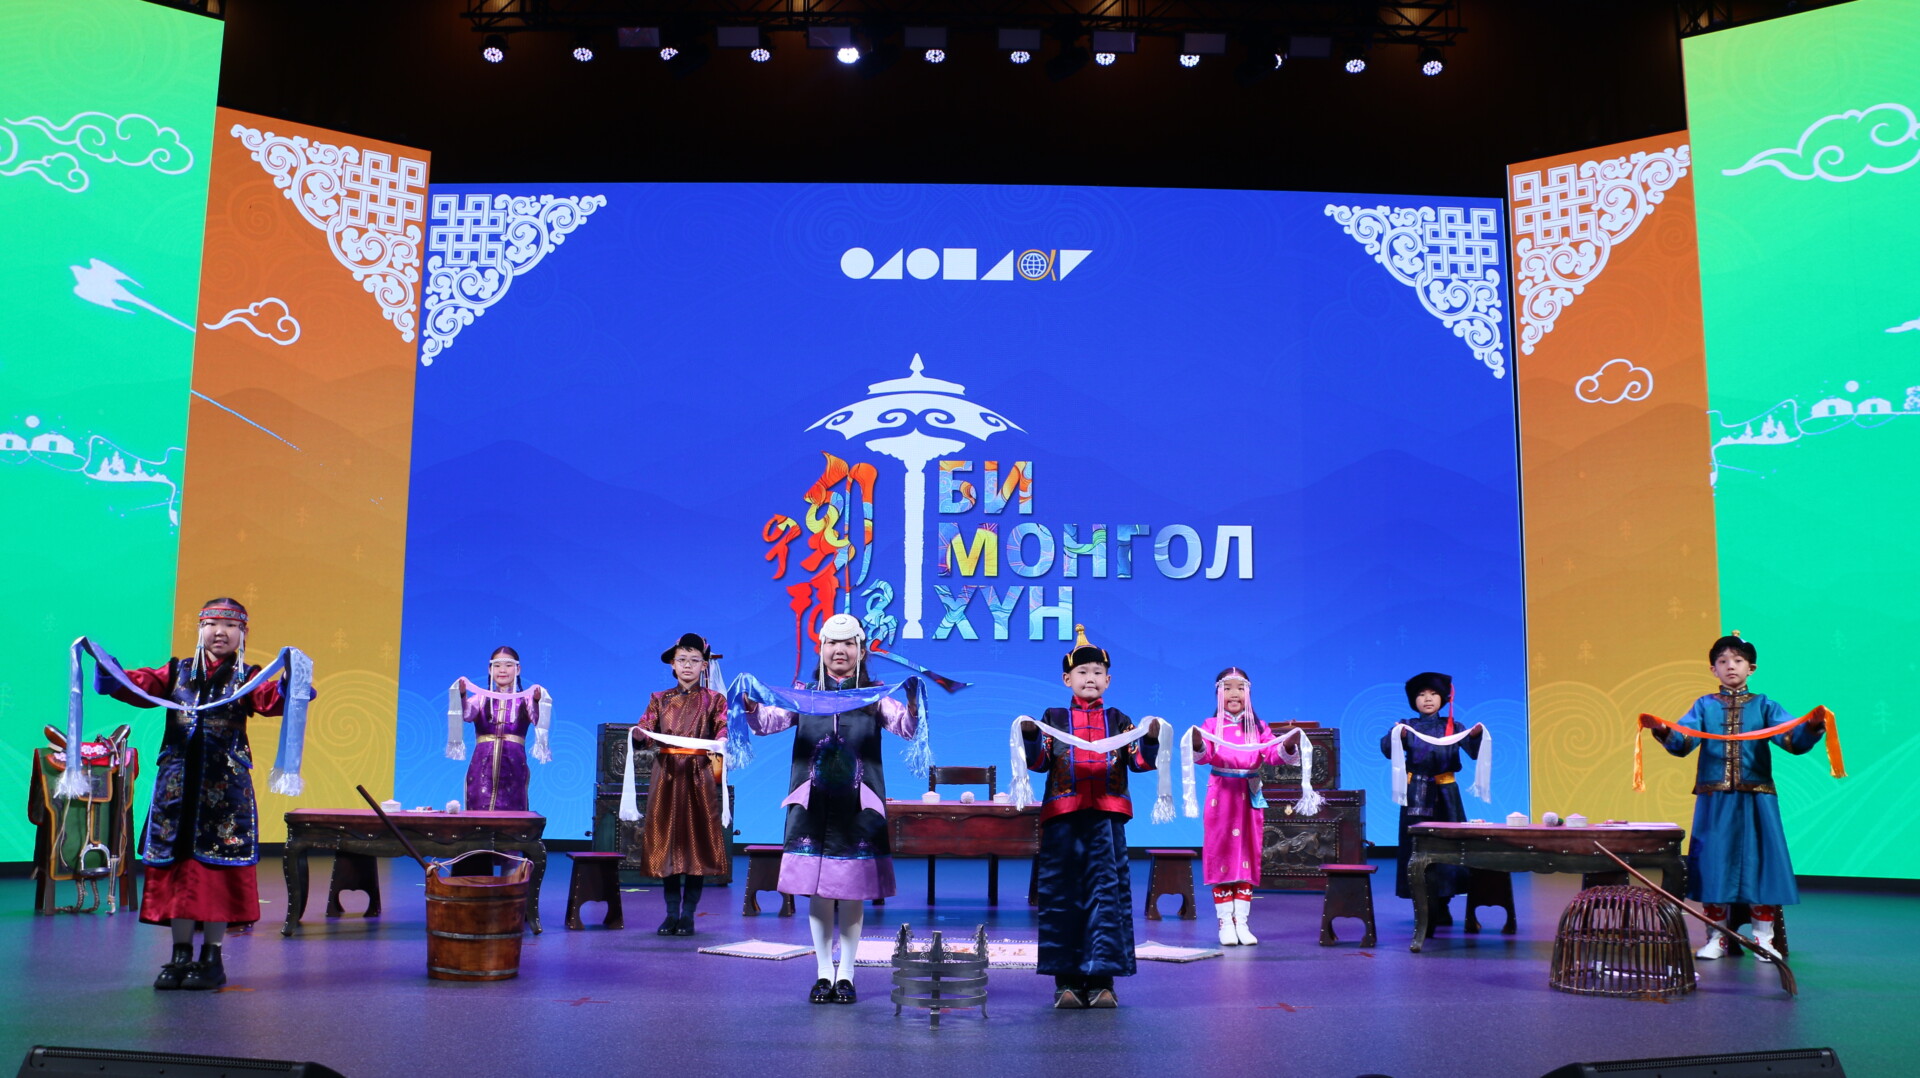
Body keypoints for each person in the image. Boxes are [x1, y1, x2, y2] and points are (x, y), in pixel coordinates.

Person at [93, 598, 311, 990]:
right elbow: (136, 685)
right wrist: (107, 667)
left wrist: (292, 682)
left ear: (243, 633)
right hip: (176, 792)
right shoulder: (176, 672)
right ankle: (179, 956)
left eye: (230, 626)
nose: (220, 632)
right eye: (212, 624)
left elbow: (272, 700)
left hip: (223, 794)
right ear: (200, 629)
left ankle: (211, 958)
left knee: (214, 876)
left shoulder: (247, 677)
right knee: (177, 873)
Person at [740, 613, 918, 1004]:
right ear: (821, 649)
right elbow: (766, 723)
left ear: (861, 650)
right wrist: (751, 705)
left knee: (852, 893)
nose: (840, 650)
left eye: (848, 644)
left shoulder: (874, 697)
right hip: (812, 807)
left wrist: (911, 701)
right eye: (833, 644)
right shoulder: (803, 695)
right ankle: (824, 974)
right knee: (818, 893)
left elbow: (906, 728)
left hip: (858, 809)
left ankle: (847, 975)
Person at [1639, 634, 1826, 960]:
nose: (1730, 666)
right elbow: (1683, 742)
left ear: (1751, 668)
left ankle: (1763, 939)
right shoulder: (1705, 705)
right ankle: (1718, 938)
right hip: (1716, 799)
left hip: (1756, 799)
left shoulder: (1764, 705)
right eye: (1723, 661)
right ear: (1713, 669)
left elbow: (1791, 739)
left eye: (1738, 661)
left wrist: (1811, 726)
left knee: (1762, 864)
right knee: (1713, 864)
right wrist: (1663, 729)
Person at [1020, 625, 1159, 1009]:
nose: (1090, 678)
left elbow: (1139, 762)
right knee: (1063, 897)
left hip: (1105, 821)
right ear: (1067, 679)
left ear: (1108, 680)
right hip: (1063, 820)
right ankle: (1066, 981)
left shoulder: (1118, 720)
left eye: (1098, 672)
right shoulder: (1053, 717)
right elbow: (1039, 762)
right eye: (1082, 672)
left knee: (1106, 897)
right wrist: (1031, 735)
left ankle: (1102, 982)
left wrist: (1149, 737)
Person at [633, 633, 729, 936]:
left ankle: (688, 915)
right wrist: (638, 734)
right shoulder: (659, 699)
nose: (688, 665)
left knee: (696, 843)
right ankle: (671, 913)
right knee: (668, 842)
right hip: (668, 775)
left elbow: (722, 727)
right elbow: (646, 727)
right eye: (682, 660)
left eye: (694, 660)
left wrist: (722, 739)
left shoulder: (714, 700)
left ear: (704, 666)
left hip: (699, 775)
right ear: (673, 665)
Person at [1190, 667, 1286, 946]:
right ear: (1218, 693)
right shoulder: (1210, 725)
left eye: (1240, 688)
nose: (1234, 694)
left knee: (1247, 853)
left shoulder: (1259, 727)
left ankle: (1241, 922)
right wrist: (1197, 741)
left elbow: (1273, 754)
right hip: (1221, 794)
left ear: (1249, 693)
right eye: (1227, 688)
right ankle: (1224, 922)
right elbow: (1204, 756)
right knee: (1221, 852)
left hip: (1248, 794)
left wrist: (1289, 744)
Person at [1380, 671, 1481, 934]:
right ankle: (1422, 906)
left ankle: (1444, 903)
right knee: (1418, 849)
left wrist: (1476, 735)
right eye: (1421, 695)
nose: (1427, 699)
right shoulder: (1407, 726)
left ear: (1443, 699)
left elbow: (1474, 752)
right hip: (1417, 793)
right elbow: (1387, 749)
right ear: (1413, 701)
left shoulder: (1454, 727)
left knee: (1451, 848)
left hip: (1447, 794)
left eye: (1433, 694)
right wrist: (1399, 736)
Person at [445, 646, 550, 812]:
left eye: (508, 665)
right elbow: (467, 714)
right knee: (479, 806)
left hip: (514, 765)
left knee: (513, 809)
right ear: (490, 669)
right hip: (482, 765)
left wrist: (537, 701)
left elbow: (537, 719)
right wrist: (463, 695)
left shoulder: (525, 700)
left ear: (518, 669)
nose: (502, 670)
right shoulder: (481, 698)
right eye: (497, 665)